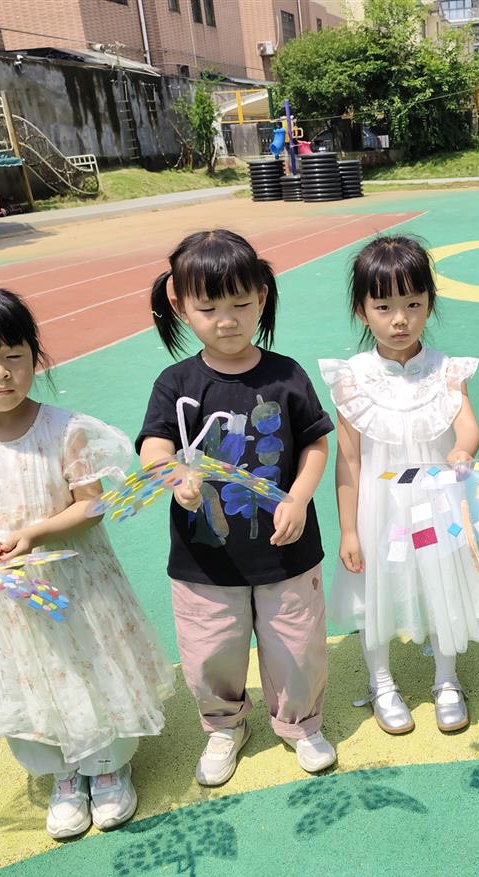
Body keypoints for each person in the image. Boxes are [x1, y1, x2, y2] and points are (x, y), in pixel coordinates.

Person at [137, 229, 336, 783]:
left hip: (287, 551)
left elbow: (316, 443)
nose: (227, 321)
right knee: (210, 651)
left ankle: (301, 723)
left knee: (297, 645)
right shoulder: (175, 382)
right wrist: (175, 474)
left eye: (241, 305)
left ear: (262, 298)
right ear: (180, 306)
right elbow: (154, 446)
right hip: (205, 560)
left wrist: (299, 497)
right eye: (208, 309)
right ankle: (224, 726)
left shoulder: (287, 374)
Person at [0, 283, 173, 839]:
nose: (0, 373)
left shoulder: (64, 429)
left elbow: (91, 505)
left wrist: (36, 531)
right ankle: (62, 774)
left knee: (93, 663)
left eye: (13, 356)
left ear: (34, 355)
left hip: (77, 584)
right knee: (33, 673)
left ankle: (107, 766)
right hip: (10, 596)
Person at [320, 235, 479, 736]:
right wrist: (348, 530)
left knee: (441, 583)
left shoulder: (446, 371)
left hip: (437, 503)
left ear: (429, 304)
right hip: (378, 508)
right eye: (384, 307)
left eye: (413, 304)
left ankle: (446, 679)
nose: (400, 319)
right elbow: (349, 459)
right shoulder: (352, 377)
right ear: (361, 310)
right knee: (373, 592)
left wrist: (462, 451)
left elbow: (468, 427)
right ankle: (381, 682)